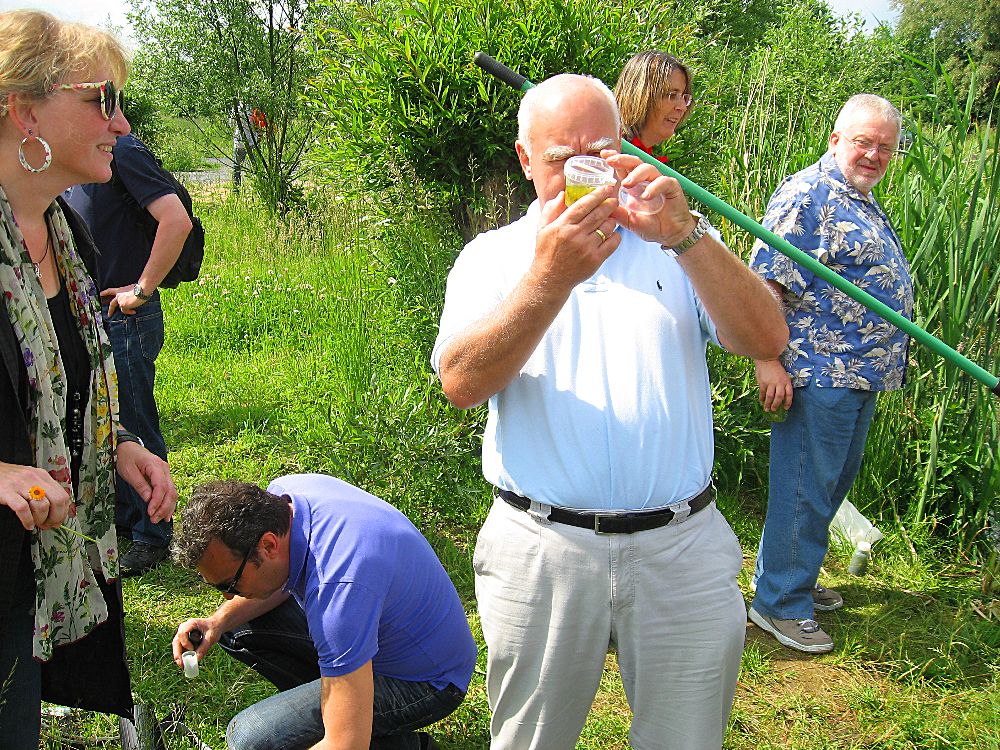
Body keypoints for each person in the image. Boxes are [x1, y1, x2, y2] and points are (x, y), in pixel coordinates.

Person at [432, 74, 788, 749]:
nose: (583, 174)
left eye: (599, 153)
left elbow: (767, 338)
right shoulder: (492, 257)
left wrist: (685, 235)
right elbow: (461, 383)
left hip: (682, 545)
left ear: (626, 147)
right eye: (560, 160)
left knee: (687, 740)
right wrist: (552, 276)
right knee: (531, 740)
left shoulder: (677, 242)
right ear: (524, 159)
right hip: (542, 548)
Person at [0, 10, 177, 747]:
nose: (122, 122)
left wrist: (119, 442)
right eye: (103, 100)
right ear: (24, 110)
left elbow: (72, 381)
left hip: (30, 575)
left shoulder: (65, 233)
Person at [748, 94, 913, 654]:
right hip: (820, 369)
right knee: (805, 486)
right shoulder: (808, 195)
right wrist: (766, 359)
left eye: (885, 147)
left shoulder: (857, 197)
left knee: (827, 486)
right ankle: (780, 604)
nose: (874, 155)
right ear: (836, 139)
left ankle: (789, 576)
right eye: (864, 142)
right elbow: (767, 281)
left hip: (860, 372)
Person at [171, 474, 477, 750]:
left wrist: (343, 730)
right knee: (234, 626)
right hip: (380, 634)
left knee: (251, 738)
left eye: (230, 583)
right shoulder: (285, 498)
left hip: (429, 682)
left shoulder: (339, 592)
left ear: (268, 546)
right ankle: (347, 707)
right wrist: (217, 622)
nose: (227, 595)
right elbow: (282, 576)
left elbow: (346, 744)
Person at [64, 132, 191, 576]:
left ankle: (153, 533)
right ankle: (126, 516)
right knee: (107, 420)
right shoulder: (76, 158)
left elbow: (176, 220)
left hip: (125, 315)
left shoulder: (122, 151)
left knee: (134, 421)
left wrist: (141, 289)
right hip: (94, 315)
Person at [614, 50, 694, 163]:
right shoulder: (608, 152)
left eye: (684, 98)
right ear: (640, 95)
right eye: (671, 95)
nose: (682, 107)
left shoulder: (639, 158)